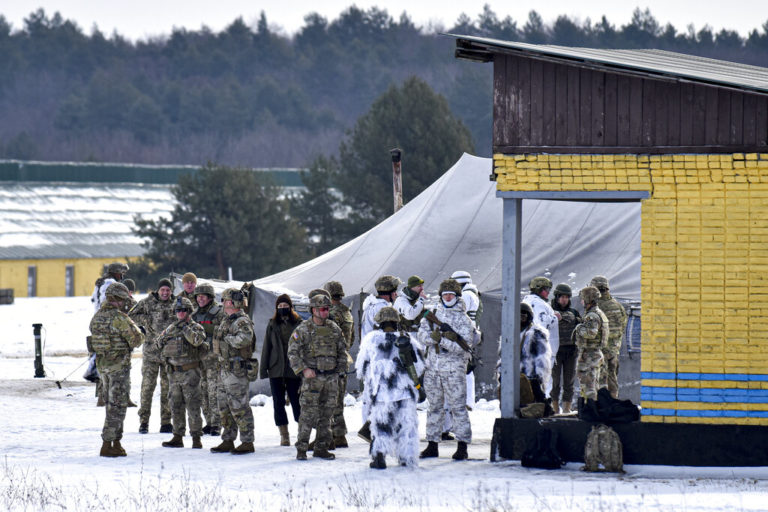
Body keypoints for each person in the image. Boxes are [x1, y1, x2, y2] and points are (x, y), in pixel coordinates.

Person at [356, 306, 423, 469]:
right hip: (405, 392)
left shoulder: (371, 340)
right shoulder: (408, 340)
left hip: (381, 393)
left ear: (378, 322)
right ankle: (407, 459)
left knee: (381, 426)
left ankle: (379, 457)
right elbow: (419, 367)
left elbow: (362, 369)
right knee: (406, 427)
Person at [418, 279, 476, 461]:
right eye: (445, 295)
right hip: (433, 369)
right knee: (434, 407)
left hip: (454, 370)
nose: (448, 297)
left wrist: (442, 340)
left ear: (457, 296)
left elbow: (464, 347)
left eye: (451, 294)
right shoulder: (433, 314)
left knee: (458, 408)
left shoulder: (465, 320)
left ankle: (462, 446)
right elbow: (421, 335)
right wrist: (433, 338)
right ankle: (432, 444)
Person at [287, 292, 348, 461]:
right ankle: (302, 448)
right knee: (308, 415)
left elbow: (342, 352)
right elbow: (292, 352)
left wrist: (340, 372)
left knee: (327, 415)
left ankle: (321, 447)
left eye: (327, 309)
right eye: (321, 309)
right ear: (313, 310)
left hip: (331, 379)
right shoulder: (303, 329)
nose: (325, 312)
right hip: (312, 380)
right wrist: (303, 369)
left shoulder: (334, 329)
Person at [89, 282, 144, 457]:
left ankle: (116, 443)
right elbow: (137, 339)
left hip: (103, 367)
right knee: (118, 407)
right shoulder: (119, 318)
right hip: (119, 367)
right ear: (119, 299)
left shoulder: (97, 316)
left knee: (111, 405)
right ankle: (107, 444)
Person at [210, 288, 257, 454]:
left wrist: (227, 339)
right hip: (224, 369)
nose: (223, 304)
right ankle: (228, 439)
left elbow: (244, 339)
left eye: (224, 300)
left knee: (239, 406)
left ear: (231, 302)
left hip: (236, 371)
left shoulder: (241, 321)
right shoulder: (227, 320)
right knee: (224, 406)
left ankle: (247, 441)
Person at [155, 297, 206, 449]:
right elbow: (159, 343)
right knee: (175, 404)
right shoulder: (171, 327)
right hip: (174, 373)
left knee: (193, 405)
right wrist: (167, 335)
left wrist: (184, 328)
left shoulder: (195, 327)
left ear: (189, 311)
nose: (180, 313)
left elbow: (197, 341)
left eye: (184, 310)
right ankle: (177, 436)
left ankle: (196, 437)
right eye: (178, 310)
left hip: (190, 373)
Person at [129, 277, 176, 434]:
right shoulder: (147, 302)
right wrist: (146, 319)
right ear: (158, 290)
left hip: (169, 353)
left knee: (167, 388)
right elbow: (131, 316)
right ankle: (144, 421)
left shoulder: (176, 303)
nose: (165, 293)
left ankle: (166, 421)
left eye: (168, 290)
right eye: (162, 290)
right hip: (150, 352)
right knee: (147, 387)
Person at [358, 274, 401, 442]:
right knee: (380, 395)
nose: (396, 294)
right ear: (388, 292)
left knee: (371, 394)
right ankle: (372, 430)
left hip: (371, 356)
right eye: (395, 291)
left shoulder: (370, 305)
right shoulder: (382, 309)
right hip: (380, 357)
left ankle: (370, 430)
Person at [260, 293, 302, 447]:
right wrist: (263, 369)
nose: (283, 308)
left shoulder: (299, 324)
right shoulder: (272, 324)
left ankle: (301, 432)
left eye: (285, 306)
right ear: (276, 308)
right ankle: (284, 435)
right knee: (278, 402)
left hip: (294, 369)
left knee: (297, 402)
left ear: (291, 307)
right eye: (280, 306)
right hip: (276, 369)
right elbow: (267, 347)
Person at [191, 283, 226, 436]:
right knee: (202, 392)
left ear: (210, 297)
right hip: (199, 360)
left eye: (203, 296)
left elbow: (224, 331)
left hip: (214, 360)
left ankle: (217, 424)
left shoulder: (219, 312)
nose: (200, 299)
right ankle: (209, 422)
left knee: (213, 392)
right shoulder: (194, 314)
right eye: (198, 296)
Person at [323, 281, 354, 448]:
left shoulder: (331, 313)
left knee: (331, 400)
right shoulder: (347, 312)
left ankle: (338, 435)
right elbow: (353, 337)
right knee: (338, 399)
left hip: (332, 361)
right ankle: (339, 434)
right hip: (344, 359)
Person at [591, 276, 628, 399]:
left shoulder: (595, 308)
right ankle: (613, 403)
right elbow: (623, 326)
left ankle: (602, 407)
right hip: (614, 350)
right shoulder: (618, 306)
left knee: (600, 382)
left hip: (599, 351)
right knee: (612, 379)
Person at [550, 283, 582, 414]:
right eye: (562, 297)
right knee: (555, 382)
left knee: (569, 382)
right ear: (557, 297)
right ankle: (555, 408)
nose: (564, 300)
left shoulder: (573, 312)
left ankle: (567, 409)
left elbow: (578, 323)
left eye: (566, 297)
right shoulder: (549, 310)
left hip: (570, 351)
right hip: (555, 352)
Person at [574, 286, 609, 401]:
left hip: (590, 355)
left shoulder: (592, 316)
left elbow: (591, 333)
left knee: (589, 388)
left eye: (583, 298)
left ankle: (590, 410)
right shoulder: (599, 313)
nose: (581, 301)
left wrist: (579, 328)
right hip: (595, 354)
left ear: (588, 299)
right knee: (594, 386)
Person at [523, 276, 560, 366]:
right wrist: (555, 317)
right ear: (538, 289)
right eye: (546, 289)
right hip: (543, 349)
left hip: (532, 347)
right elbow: (542, 323)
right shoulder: (538, 303)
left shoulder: (527, 301)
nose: (548, 292)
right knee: (545, 378)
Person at [520, 302, 552, 403]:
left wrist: (539, 377)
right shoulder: (509, 332)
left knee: (532, 406)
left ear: (529, 316)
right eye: (519, 315)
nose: (521, 318)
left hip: (530, 377)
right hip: (513, 377)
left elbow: (542, 358)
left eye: (524, 316)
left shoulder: (536, 333)